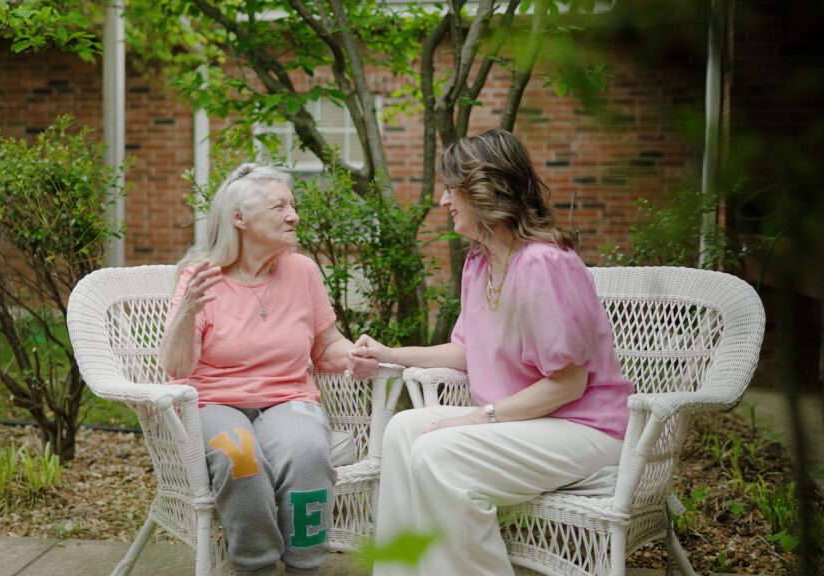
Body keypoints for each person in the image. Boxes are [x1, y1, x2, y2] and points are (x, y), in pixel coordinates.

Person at [347, 129, 634, 576]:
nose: (443, 201)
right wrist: (392, 353)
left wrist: (477, 418)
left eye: (450, 189)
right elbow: (466, 349)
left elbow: (570, 383)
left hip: (585, 428)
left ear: (483, 191)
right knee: (403, 429)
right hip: (530, 424)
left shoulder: (544, 264)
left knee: (439, 453)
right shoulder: (479, 262)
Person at [160, 163, 379, 576]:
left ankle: (304, 566)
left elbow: (326, 344)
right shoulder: (202, 277)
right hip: (213, 401)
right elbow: (175, 366)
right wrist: (187, 312)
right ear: (239, 219)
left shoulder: (303, 271)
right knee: (240, 455)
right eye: (280, 207)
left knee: (308, 452)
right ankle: (255, 566)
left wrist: (353, 355)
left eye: (292, 206)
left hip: (288, 397)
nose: (293, 216)